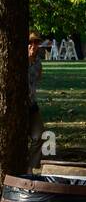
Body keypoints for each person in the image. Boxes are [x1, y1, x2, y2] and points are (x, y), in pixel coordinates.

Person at [27, 33, 45, 172]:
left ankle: (31, 168)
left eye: (36, 43)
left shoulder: (38, 62)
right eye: (30, 42)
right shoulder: (17, 60)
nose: (33, 45)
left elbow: (38, 78)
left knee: (39, 135)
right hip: (15, 108)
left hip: (32, 105)